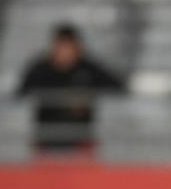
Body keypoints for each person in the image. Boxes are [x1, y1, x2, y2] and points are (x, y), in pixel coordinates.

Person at [16, 23, 125, 154]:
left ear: (77, 47)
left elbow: (119, 87)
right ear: (54, 46)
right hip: (46, 140)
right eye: (61, 46)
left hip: (81, 140)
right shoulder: (40, 69)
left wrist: (86, 98)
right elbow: (20, 94)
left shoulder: (89, 68)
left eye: (69, 46)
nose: (65, 51)